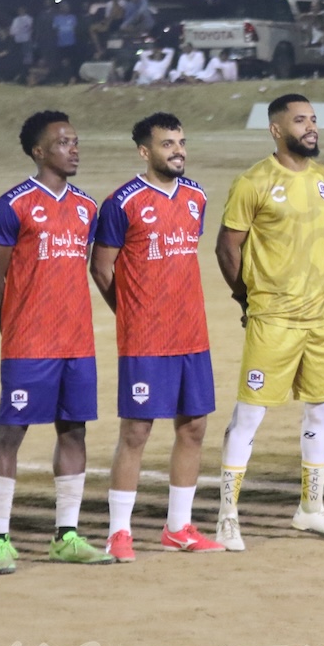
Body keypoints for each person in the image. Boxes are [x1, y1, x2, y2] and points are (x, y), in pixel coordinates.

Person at [214, 94, 324, 550]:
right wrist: (247, 298)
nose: (311, 127)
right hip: (272, 317)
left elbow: (321, 244)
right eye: (300, 120)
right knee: (250, 414)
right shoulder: (253, 182)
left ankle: (311, 508)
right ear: (276, 129)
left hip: (319, 317)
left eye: (313, 119)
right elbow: (227, 247)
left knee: (323, 409)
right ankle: (227, 516)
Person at [90, 113, 223, 560]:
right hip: (146, 339)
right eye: (168, 144)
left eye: (181, 142)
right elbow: (101, 267)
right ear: (145, 152)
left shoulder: (196, 196)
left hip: (192, 334)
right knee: (136, 431)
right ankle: (119, 533)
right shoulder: (121, 203)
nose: (178, 150)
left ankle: (179, 528)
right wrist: (131, 312)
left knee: (194, 427)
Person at [0, 111, 111, 570]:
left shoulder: (86, 207)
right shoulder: (12, 205)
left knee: (74, 431)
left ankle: (66, 536)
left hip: (77, 343)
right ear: (39, 152)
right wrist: (13, 330)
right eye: (62, 143)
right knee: (10, 433)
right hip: (29, 346)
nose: (73, 149)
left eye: (75, 141)